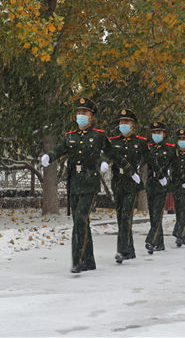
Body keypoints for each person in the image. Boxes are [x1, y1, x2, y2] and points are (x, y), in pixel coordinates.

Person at [41, 97, 140, 273]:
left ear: (92, 117)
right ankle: (89, 261)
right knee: (81, 221)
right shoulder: (69, 136)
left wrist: (129, 170)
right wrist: (50, 156)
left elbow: (113, 154)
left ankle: (77, 261)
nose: (81, 116)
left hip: (90, 182)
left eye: (85, 113)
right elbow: (59, 150)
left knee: (80, 218)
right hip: (74, 183)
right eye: (79, 112)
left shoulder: (99, 136)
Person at [109, 109, 150, 263]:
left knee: (126, 215)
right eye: (121, 122)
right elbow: (107, 154)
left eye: (126, 122)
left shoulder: (140, 141)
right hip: (118, 181)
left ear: (133, 125)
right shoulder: (113, 141)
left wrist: (138, 164)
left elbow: (147, 156)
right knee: (121, 217)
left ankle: (122, 251)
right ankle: (130, 250)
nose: (123, 125)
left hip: (131, 183)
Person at [144, 121, 176, 254]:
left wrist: (168, 178)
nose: (156, 135)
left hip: (162, 184)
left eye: (159, 132)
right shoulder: (149, 147)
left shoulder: (170, 148)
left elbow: (174, 165)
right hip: (151, 184)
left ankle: (151, 240)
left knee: (157, 213)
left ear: (164, 134)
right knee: (153, 214)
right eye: (154, 133)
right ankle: (160, 243)